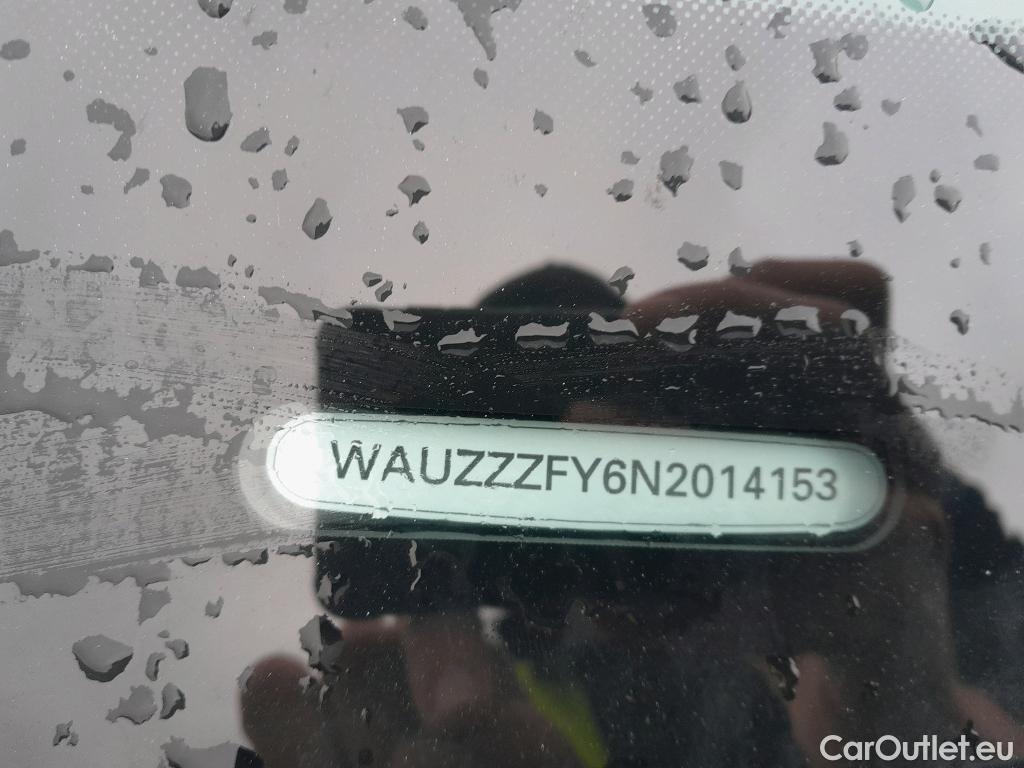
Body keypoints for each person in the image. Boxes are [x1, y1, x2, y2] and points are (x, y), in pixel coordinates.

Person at [240, 259, 1024, 767]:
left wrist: (894, 683)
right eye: (519, 417)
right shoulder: (509, 686)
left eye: (619, 393)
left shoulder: (892, 557)